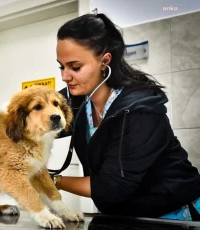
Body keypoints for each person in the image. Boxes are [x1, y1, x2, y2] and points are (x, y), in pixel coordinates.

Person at [50, 13, 200, 221]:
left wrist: (49, 180)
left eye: (75, 67)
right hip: (119, 214)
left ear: (105, 61)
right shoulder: (74, 99)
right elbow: (32, 120)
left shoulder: (140, 110)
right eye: (61, 66)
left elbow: (112, 188)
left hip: (170, 213)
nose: (65, 76)